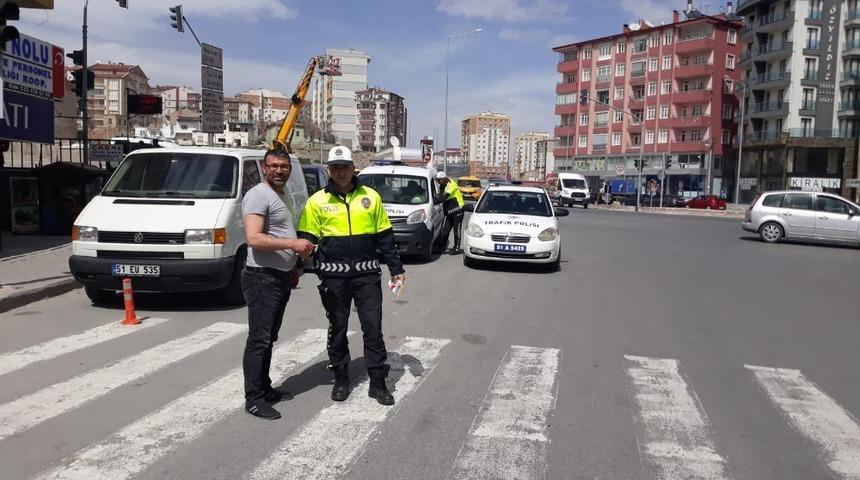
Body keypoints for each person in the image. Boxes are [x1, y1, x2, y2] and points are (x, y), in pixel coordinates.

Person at [297, 145, 405, 406]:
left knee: (373, 329)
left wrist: (396, 269)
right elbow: (306, 240)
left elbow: (385, 237)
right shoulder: (316, 201)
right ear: (328, 170)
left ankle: (378, 383)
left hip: (367, 277)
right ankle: (341, 378)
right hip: (333, 280)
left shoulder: (371, 197)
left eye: (345, 166)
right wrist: (293, 269)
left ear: (353, 168)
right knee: (337, 329)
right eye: (335, 168)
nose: (341, 172)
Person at [241, 149, 315, 420]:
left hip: (280, 276)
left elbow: (283, 231)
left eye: (284, 166)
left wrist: (293, 266)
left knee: (268, 337)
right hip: (262, 277)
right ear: (264, 167)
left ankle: (265, 388)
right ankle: (254, 398)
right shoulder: (258, 195)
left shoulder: (279, 196)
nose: (279, 170)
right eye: (274, 166)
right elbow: (254, 238)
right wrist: (292, 245)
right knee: (259, 340)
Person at [436, 172, 465, 254]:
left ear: (443, 179)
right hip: (450, 212)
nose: (438, 182)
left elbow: (445, 196)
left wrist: (435, 200)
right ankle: (442, 247)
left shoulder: (452, 184)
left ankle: (456, 248)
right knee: (445, 230)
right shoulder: (443, 186)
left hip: (458, 211)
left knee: (457, 231)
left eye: (439, 180)